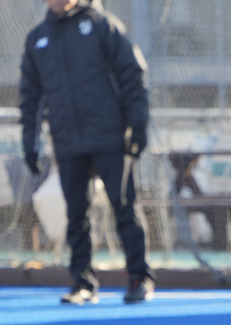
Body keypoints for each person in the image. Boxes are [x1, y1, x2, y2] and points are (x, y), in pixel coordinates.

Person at [19, 0, 155, 305]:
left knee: (124, 207)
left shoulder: (101, 24)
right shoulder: (38, 38)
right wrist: (30, 141)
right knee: (76, 214)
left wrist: (138, 124)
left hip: (110, 137)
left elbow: (132, 73)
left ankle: (139, 278)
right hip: (67, 140)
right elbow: (30, 96)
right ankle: (83, 283)